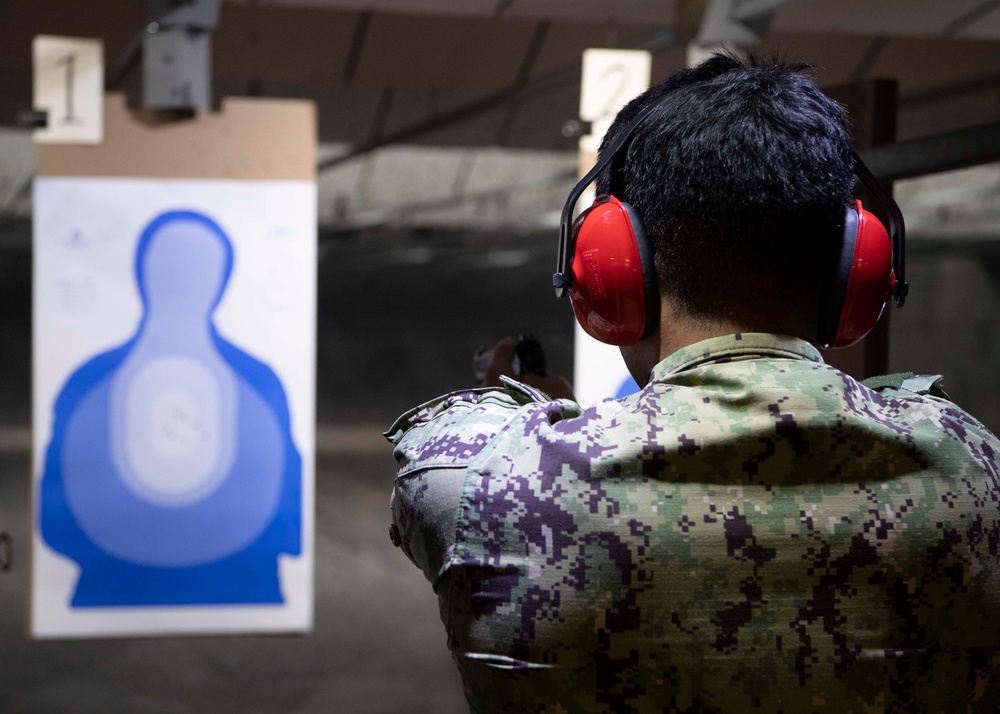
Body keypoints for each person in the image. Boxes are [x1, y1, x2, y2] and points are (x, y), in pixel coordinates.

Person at [384, 52, 1000, 713]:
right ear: (858, 273)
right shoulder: (978, 475)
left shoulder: (492, 486)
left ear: (608, 274)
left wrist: (545, 405)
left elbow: (441, 442)